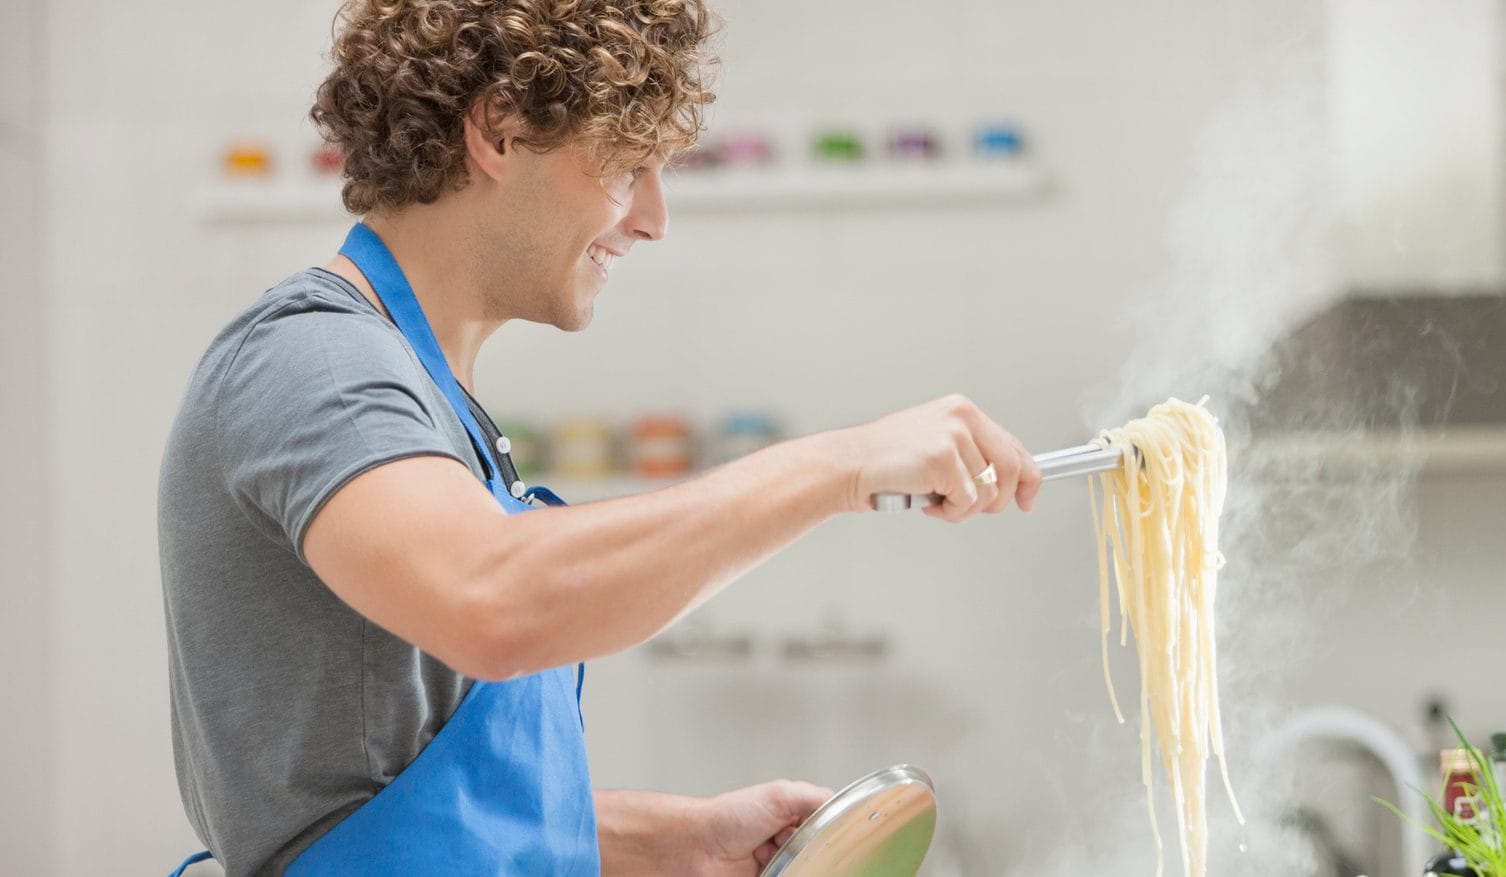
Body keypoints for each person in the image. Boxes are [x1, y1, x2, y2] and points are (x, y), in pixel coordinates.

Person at [157, 0, 1043, 873]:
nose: (653, 218)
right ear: (499, 132)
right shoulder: (317, 359)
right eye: (627, 167)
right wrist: (839, 464)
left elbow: (381, 809)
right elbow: (494, 599)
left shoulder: (427, 399)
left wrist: (661, 841)